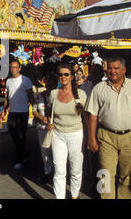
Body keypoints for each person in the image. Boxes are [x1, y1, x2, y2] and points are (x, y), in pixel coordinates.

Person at [86, 56, 131, 199]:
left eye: (116, 68)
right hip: (106, 136)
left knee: (127, 176)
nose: (112, 71)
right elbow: (92, 115)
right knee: (103, 174)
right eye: (109, 68)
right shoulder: (99, 88)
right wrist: (91, 138)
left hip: (130, 137)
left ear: (124, 70)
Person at [46, 63, 87, 199]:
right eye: (60, 74)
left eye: (66, 74)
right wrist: (48, 123)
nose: (63, 77)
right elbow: (48, 111)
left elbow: (87, 116)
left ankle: (74, 196)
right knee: (59, 171)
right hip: (58, 135)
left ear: (72, 76)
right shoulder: (53, 93)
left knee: (75, 170)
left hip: (76, 134)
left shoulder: (81, 94)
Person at [2, 60, 35, 170]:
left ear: (19, 68)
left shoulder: (26, 80)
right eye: (11, 67)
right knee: (13, 133)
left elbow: (30, 96)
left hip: (23, 112)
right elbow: (7, 97)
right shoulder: (8, 81)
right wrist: (4, 109)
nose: (13, 69)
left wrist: (35, 109)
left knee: (21, 136)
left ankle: (19, 158)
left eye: (15, 67)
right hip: (12, 112)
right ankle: (24, 153)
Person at [32, 72, 57, 183]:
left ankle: (57, 173)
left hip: (56, 129)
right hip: (42, 127)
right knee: (45, 151)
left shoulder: (59, 96)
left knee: (56, 151)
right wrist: (42, 118)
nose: (48, 83)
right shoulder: (40, 96)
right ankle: (48, 172)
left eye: (51, 81)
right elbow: (34, 111)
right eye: (46, 80)